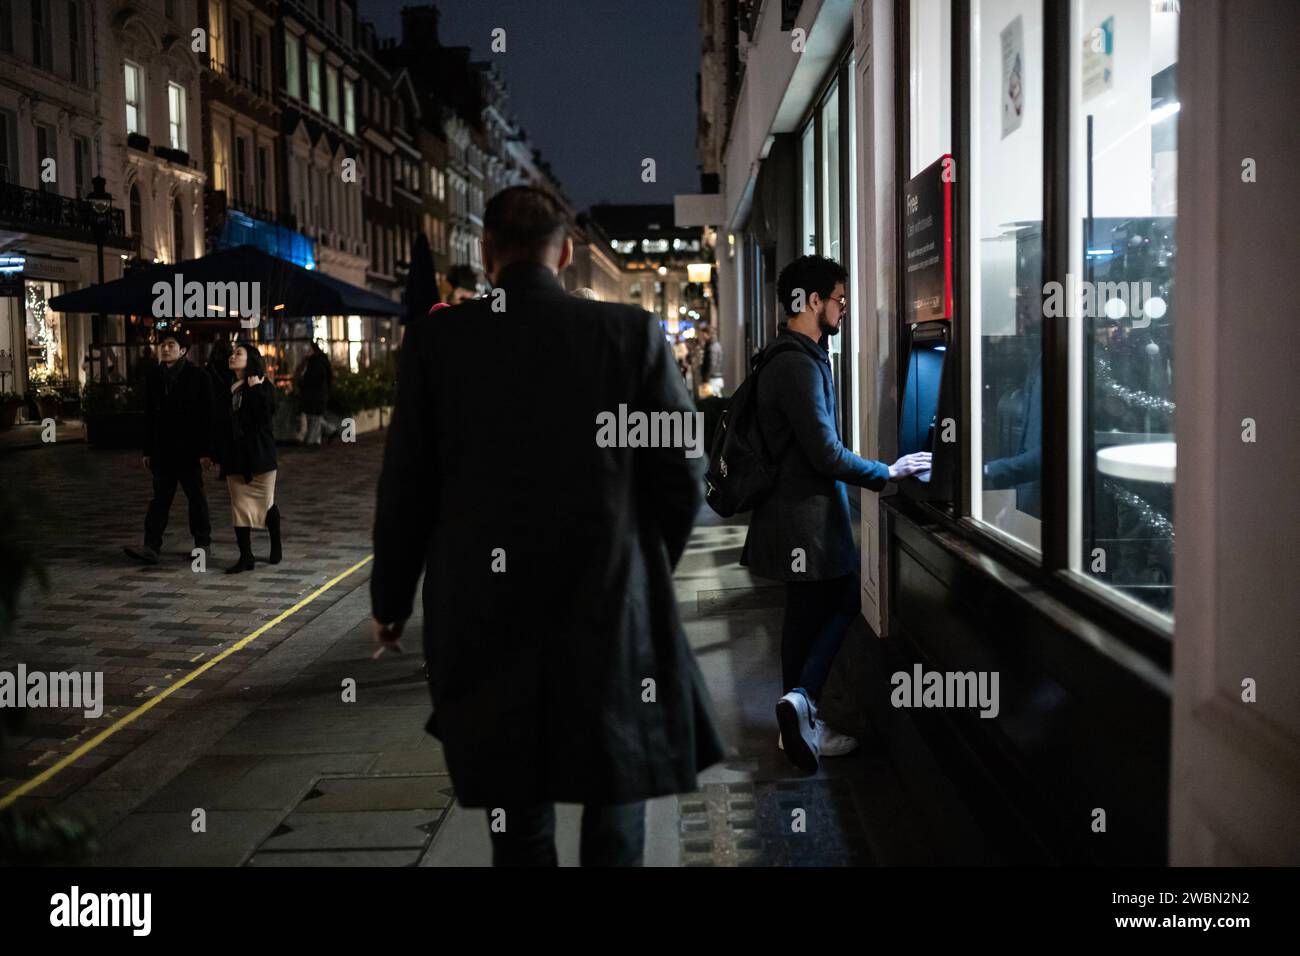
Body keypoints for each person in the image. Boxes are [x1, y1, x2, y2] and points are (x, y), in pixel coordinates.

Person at [370, 185, 724, 867]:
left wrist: (391, 603)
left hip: (483, 614)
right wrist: (647, 564)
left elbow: (405, 490)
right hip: (608, 602)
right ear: (565, 252)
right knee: (615, 786)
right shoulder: (629, 335)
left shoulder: (438, 342)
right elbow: (684, 472)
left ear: (486, 253)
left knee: (517, 811)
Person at [741, 254, 931, 773]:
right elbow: (825, 452)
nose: (843, 310)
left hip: (793, 516)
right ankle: (803, 701)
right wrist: (886, 472)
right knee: (844, 597)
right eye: (839, 300)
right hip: (804, 519)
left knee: (804, 615)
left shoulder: (786, 355)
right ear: (811, 302)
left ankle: (796, 720)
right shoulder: (797, 363)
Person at [123, 330, 214, 565]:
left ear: (183, 350)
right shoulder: (154, 376)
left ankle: (202, 545)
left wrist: (206, 451)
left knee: (196, 498)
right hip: (163, 450)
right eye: (162, 345)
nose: (164, 349)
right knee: (160, 500)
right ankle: (151, 547)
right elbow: (150, 416)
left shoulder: (198, 377)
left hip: (190, 450)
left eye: (171, 345)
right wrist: (147, 450)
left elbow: (207, 416)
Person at [217, 341, 281, 574]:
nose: (232, 356)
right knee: (239, 507)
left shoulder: (262, 386)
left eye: (238, 353)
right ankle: (246, 556)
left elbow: (265, 418)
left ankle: (276, 541)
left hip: (260, 456)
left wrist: (254, 391)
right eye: (232, 353)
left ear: (250, 359)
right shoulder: (228, 387)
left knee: (266, 503)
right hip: (235, 457)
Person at [298, 341, 339, 447]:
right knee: (314, 416)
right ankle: (329, 432)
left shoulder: (316, 362)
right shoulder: (317, 361)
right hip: (316, 394)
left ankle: (313, 440)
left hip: (316, 394)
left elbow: (315, 379)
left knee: (314, 416)